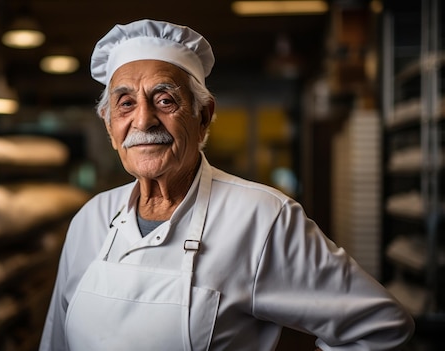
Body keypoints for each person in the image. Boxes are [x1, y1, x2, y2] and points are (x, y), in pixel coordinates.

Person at [39, 19, 414, 351]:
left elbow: (380, 328)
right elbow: (56, 340)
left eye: (165, 100)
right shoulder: (91, 219)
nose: (144, 120)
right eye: (125, 104)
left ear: (203, 117)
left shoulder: (260, 218)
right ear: (110, 128)